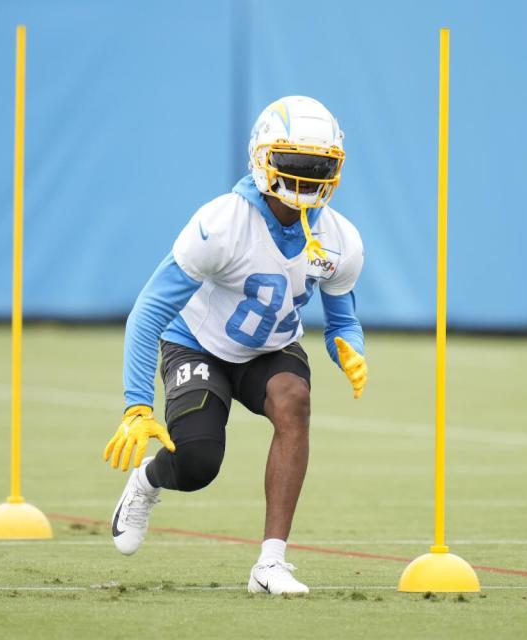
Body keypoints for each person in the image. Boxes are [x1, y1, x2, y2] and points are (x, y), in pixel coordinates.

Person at [102, 95, 367, 595]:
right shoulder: (223, 223)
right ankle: (148, 482)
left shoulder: (341, 238)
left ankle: (271, 563)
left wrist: (348, 348)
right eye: (295, 163)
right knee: (198, 463)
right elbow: (149, 311)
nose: (307, 177)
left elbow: (342, 320)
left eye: (319, 166)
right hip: (198, 344)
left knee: (296, 402)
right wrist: (136, 405)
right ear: (262, 158)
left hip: (271, 349)